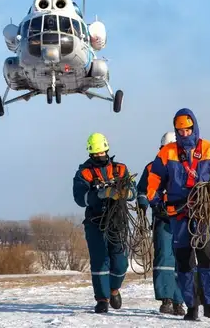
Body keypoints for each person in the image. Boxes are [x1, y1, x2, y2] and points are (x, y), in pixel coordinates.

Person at [144, 108, 210, 321]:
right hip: (178, 213)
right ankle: (191, 306)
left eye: (187, 129)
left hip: (202, 212)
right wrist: (155, 200)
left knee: (207, 257)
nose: (184, 134)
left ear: (194, 127)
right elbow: (154, 180)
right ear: (176, 130)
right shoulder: (167, 154)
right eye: (180, 130)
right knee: (184, 261)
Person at [73, 132, 137, 314]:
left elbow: (132, 190)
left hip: (118, 221)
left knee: (120, 263)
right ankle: (102, 299)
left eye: (102, 153)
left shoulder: (121, 169)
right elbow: (80, 198)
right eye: (96, 154)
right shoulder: (83, 173)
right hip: (95, 222)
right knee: (100, 261)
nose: (100, 157)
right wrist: (100, 194)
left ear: (107, 150)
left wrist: (125, 193)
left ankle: (114, 289)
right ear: (90, 154)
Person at [137, 131, 186, 316]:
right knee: (164, 258)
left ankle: (179, 301)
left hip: (183, 220)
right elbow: (142, 190)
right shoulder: (151, 168)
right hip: (162, 218)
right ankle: (166, 299)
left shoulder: (187, 167)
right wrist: (143, 206)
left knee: (182, 259)